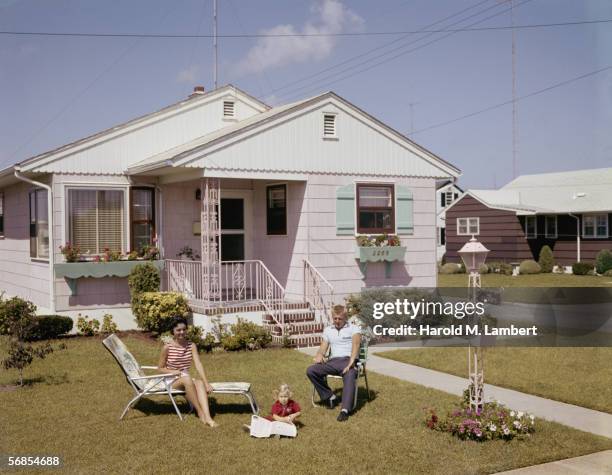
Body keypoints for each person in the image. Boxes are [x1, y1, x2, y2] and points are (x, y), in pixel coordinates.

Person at [157, 317, 218, 427]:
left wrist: (206, 383)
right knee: (188, 379)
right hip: (171, 380)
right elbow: (160, 368)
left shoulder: (191, 346)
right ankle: (200, 412)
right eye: (178, 330)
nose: (182, 332)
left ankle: (208, 417)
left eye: (184, 329)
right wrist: (172, 371)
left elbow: (198, 364)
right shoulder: (167, 347)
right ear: (173, 331)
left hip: (185, 377)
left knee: (199, 383)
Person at [306, 304, 361, 422]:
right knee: (311, 370)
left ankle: (345, 410)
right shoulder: (328, 330)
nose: (337, 321)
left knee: (350, 374)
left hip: (348, 360)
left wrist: (351, 362)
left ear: (345, 317)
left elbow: (356, 345)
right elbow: (323, 348)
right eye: (335, 318)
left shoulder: (353, 328)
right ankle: (330, 396)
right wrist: (319, 355)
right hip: (333, 362)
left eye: (340, 318)